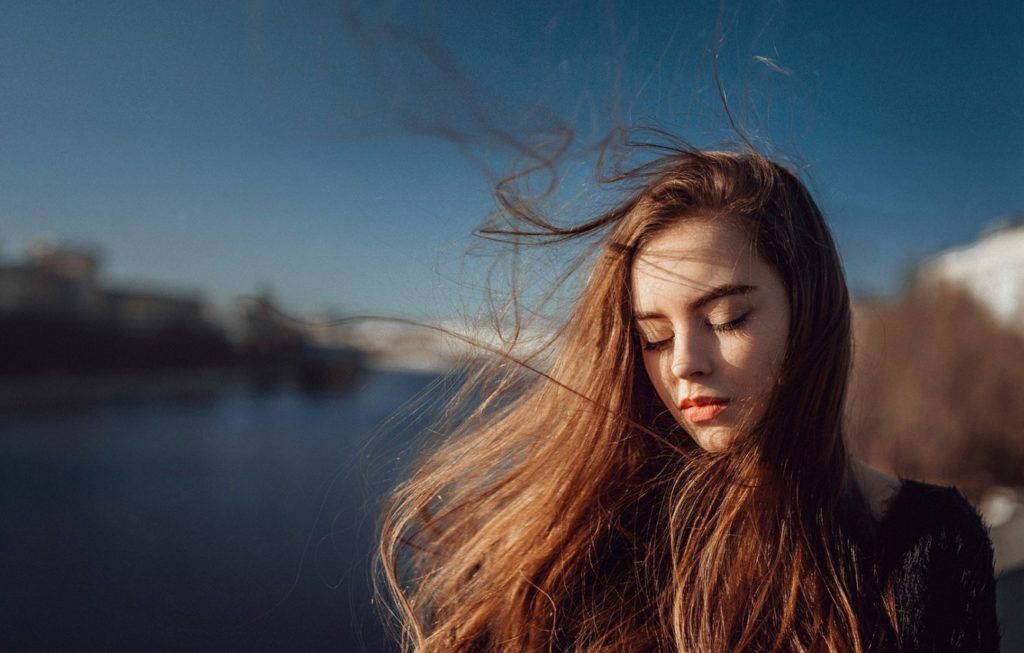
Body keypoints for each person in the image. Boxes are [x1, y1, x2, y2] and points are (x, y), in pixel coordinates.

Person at [377, 146, 1000, 652]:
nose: (682, 364)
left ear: (808, 313)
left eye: (728, 319)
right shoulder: (596, 538)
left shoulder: (929, 542)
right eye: (653, 336)